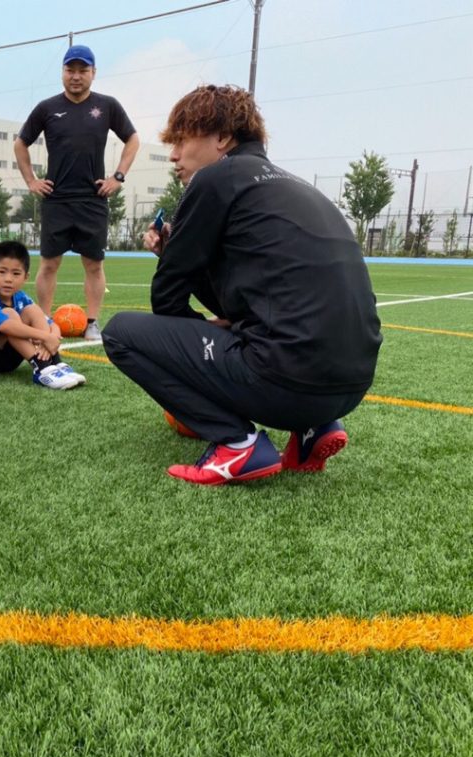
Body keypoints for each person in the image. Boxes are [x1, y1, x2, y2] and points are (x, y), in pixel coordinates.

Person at [102, 85, 382, 486]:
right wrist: (218, 318)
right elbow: (252, 300)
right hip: (351, 385)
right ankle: (311, 430)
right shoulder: (297, 185)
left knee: (122, 333)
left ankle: (236, 443)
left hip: (286, 381)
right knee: (272, 336)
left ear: (222, 137)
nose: (175, 156)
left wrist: (198, 336)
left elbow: (167, 298)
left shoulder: (216, 179)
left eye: (181, 140)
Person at [14, 44, 140, 341]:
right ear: (63, 72)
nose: (76, 76)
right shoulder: (46, 108)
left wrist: (118, 177)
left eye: (83, 70)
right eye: (70, 70)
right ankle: (43, 322)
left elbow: (133, 139)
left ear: (93, 73)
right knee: (49, 263)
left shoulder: (107, 106)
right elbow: (21, 143)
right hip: (56, 199)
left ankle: (92, 322)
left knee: (94, 264)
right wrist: (32, 181)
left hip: (92, 199)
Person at [0, 240, 85, 390]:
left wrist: (51, 339)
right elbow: (6, 326)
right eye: (2, 272)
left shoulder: (22, 297)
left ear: (25, 277)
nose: (8, 279)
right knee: (9, 314)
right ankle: (41, 368)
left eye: (16, 273)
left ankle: (54, 363)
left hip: (10, 360)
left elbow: (51, 324)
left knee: (33, 309)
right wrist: (46, 337)